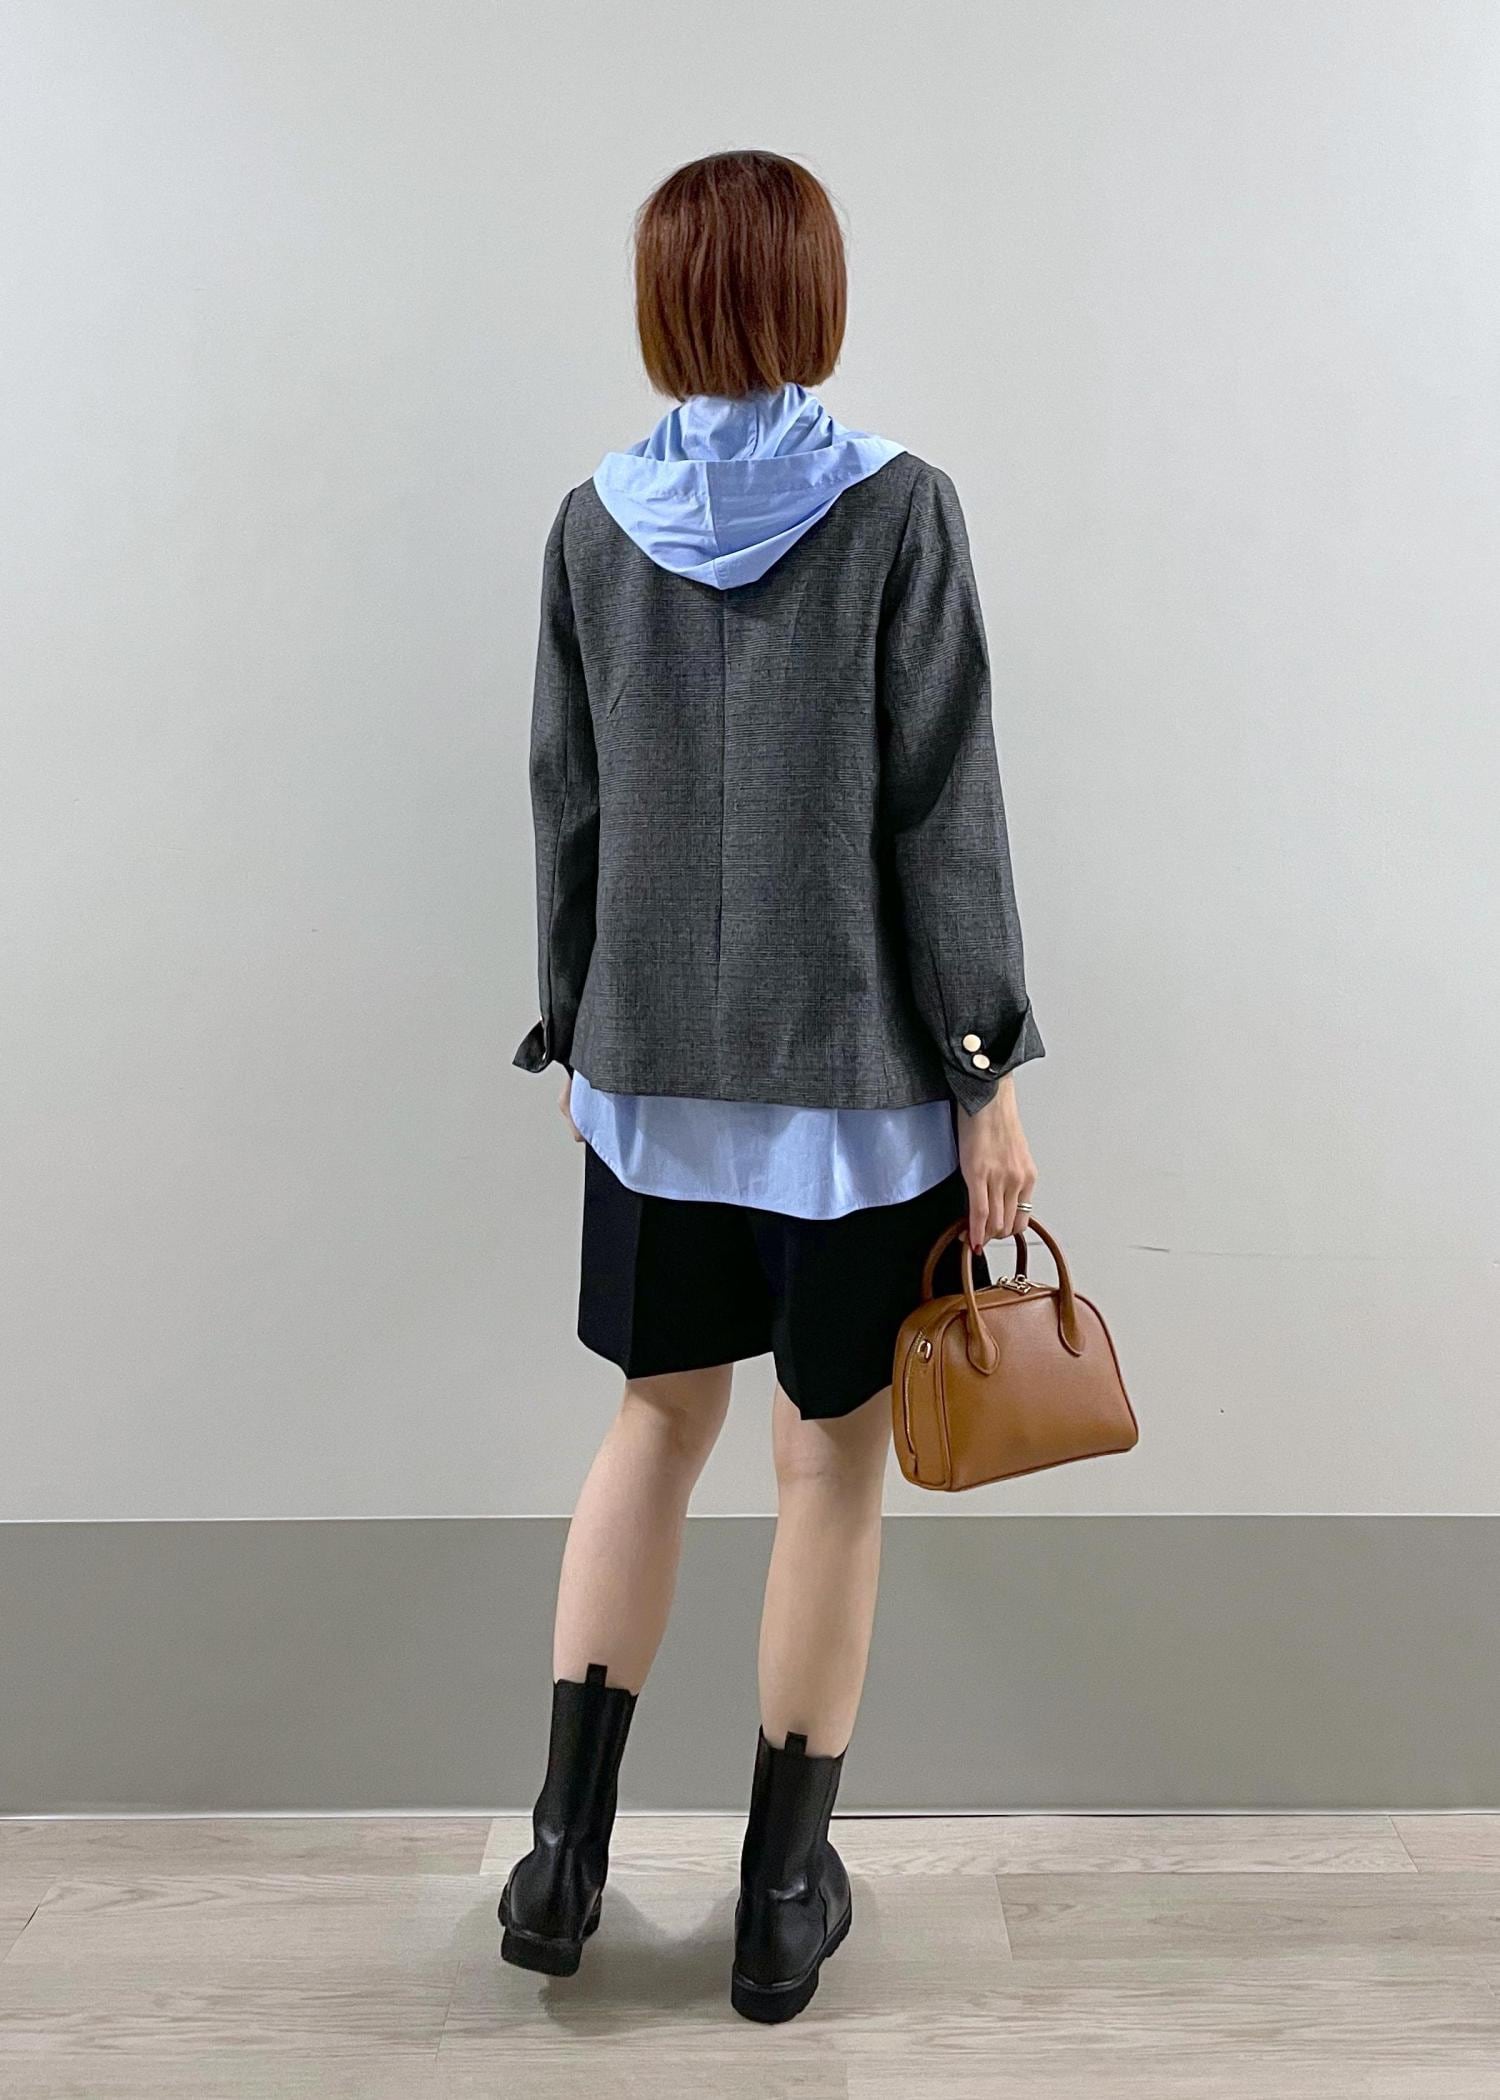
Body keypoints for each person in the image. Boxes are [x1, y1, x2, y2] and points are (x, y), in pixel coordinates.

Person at [501, 148, 1042, 2023]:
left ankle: (560, 1864)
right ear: (816, 294)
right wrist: (986, 1070)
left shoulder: (591, 526)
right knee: (829, 1461)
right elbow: (944, 814)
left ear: (662, 302)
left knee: (654, 1427)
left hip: (652, 1078)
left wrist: (576, 1026)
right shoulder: (898, 511)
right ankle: (778, 1901)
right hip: (854, 1096)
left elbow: (566, 804)